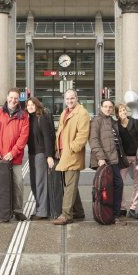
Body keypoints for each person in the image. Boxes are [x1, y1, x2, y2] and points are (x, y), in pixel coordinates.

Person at [0, 88, 30, 221]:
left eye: (16, 98)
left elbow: (23, 138)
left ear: (19, 100)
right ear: (7, 97)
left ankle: (18, 210)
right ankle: (1, 210)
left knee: (18, 184)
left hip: (15, 158)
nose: (13, 100)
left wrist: (13, 153)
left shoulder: (23, 116)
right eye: (11, 97)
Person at [53, 89, 91, 225]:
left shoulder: (82, 113)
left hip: (72, 154)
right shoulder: (65, 112)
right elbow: (61, 132)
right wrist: (58, 148)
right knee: (70, 184)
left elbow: (82, 135)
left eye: (72, 98)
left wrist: (72, 148)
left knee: (69, 185)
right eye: (67, 99)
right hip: (64, 154)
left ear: (77, 98)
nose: (70, 101)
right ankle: (79, 211)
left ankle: (66, 215)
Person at [89, 99, 125, 224]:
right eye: (106, 106)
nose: (108, 109)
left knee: (116, 186)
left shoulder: (112, 121)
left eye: (110, 107)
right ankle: (111, 214)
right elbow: (93, 140)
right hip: (105, 160)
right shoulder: (96, 121)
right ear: (101, 107)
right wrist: (100, 158)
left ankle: (113, 213)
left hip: (114, 158)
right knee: (109, 187)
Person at [26, 97, 55, 221]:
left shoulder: (41, 118)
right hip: (32, 154)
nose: (30, 107)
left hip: (41, 154)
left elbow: (48, 138)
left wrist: (49, 156)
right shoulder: (29, 119)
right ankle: (41, 208)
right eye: (28, 105)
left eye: (32, 105)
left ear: (37, 105)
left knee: (40, 183)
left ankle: (42, 211)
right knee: (33, 183)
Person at [115, 103, 138, 218]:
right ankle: (122, 207)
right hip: (124, 158)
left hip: (137, 158)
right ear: (117, 114)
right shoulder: (116, 125)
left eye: (124, 110)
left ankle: (133, 207)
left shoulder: (135, 122)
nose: (123, 112)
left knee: (137, 184)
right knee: (120, 183)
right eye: (120, 111)